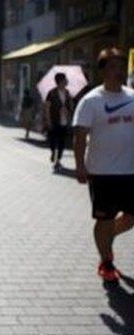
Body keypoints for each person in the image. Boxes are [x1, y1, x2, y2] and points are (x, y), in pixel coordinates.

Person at [72, 47, 134, 283]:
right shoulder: (92, 101)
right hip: (102, 172)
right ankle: (106, 261)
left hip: (130, 170)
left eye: (121, 66)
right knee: (104, 219)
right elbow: (79, 136)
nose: (119, 71)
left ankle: (107, 237)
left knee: (130, 217)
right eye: (113, 67)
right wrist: (80, 166)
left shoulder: (132, 97)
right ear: (103, 71)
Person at [43, 72, 73, 170]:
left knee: (62, 141)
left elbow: (71, 107)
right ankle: (53, 152)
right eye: (65, 79)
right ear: (60, 81)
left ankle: (58, 160)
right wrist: (48, 121)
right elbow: (47, 107)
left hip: (64, 121)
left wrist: (67, 110)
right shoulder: (51, 93)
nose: (67, 81)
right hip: (54, 120)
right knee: (52, 140)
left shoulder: (68, 93)